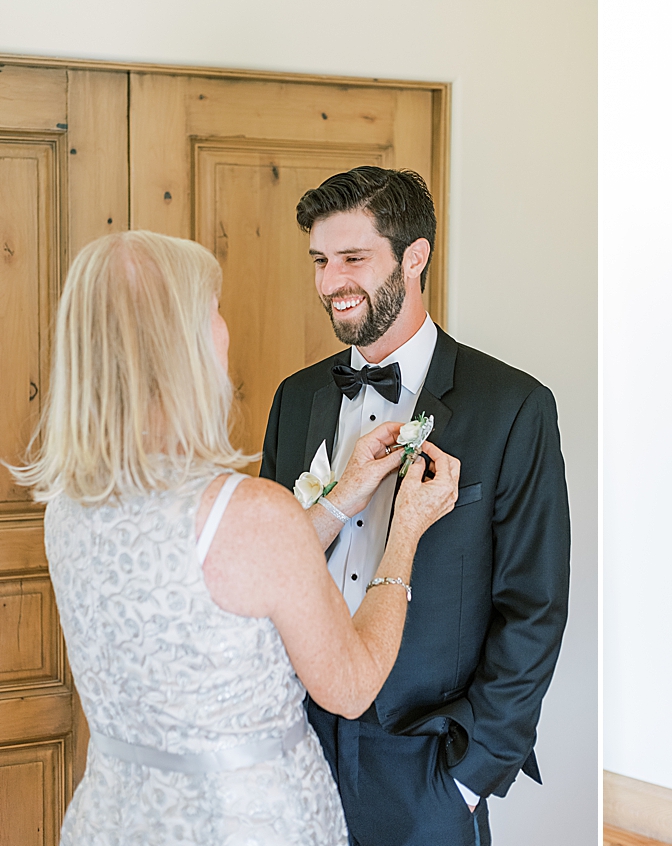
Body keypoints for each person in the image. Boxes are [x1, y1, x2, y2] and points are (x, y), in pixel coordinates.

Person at [11, 230, 461, 845]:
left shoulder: (65, 505)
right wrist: (404, 530)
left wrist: (340, 497)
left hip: (115, 821)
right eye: (212, 311)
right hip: (246, 823)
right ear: (181, 346)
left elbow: (232, 577)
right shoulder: (251, 513)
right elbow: (352, 688)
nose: (224, 328)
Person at [259, 166, 571, 846]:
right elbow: (269, 571)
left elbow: (534, 606)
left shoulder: (513, 406)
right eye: (320, 260)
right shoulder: (295, 399)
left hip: (427, 761)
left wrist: (468, 777)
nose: (330, 281)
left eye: (353, 258)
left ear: (415, 256)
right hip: (295, 751)